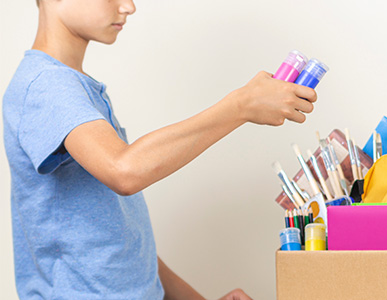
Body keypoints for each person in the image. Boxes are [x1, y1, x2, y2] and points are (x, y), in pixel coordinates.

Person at [2, 0, 317, 299]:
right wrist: (240, 106)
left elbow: (121, 237)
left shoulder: (76, 89)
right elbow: (124, 170)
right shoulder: (47, 85)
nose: (129, 6)